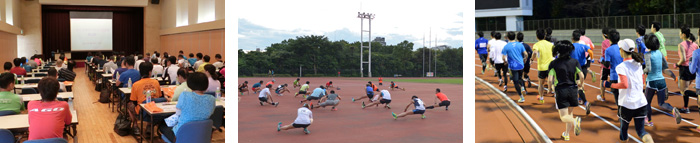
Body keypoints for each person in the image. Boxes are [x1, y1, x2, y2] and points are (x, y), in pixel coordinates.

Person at [611, 39, 654, 143]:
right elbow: (643, 81)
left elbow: (624, 85)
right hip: (641, 102)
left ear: (621, 50)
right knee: (641, 131)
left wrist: (611, 85)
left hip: (627, 104)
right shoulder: (639, 64)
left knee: (624, 130)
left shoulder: (621, 67)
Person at [158, 72, 216, 142]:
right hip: (202, 135)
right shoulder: (212, 99)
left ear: (189, 84)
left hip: (181, 134)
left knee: (162, 125)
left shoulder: (185, 95)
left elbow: (178, 113)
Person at [547, 40, 584, 141]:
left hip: (561, 90)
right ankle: (566, 134)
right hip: (573, 90)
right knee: (570, 114)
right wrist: (581, 83)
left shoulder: (553, 63)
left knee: (564, 117)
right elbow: (582, 75)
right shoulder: (575, 62)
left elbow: (550, 79)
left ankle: (575, 121)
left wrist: (549, 89)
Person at [645, 33, 681, 126]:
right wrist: (674, 77)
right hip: (662, 81)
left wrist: (642, 69)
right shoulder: (660, 53)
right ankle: (673, 109)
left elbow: (648, 69)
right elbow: (665, 68)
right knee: (661, 103)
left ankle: (649, 121)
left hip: (652, 81)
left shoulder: (648, 54)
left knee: (647, 102)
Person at [676, 25, 698, 114]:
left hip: (685, 69)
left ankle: (698, 95)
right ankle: (685, 107)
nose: (679, 34)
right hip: (693, 69)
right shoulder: (695, 45)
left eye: (680, 32)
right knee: (685, 89)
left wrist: (676, 64)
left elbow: (683, 59)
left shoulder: (681, 45)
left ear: (684, 34)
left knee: (683, 90)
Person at [502, 31, 528, 102]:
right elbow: (526, 54)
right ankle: (522, 87)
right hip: (521, 64)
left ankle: (521, 97)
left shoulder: (506, 46)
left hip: (513, 66)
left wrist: (505, 62)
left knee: (515, 81)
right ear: (515, 37)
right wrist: (524, 60)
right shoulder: (520, 44)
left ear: (507, 37)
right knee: (520, 77)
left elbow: (503, 57)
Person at [571, 30, 594, 107]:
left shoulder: (571, 46)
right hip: (583, 67)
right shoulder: (583, 46)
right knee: (582, 82)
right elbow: (591, 52)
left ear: (572, 38)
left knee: (577, 84)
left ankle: (584, 101)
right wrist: (592, 58)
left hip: (575, 67)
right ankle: (580, 98)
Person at [532, 28, 554, 103]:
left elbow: (535, 52)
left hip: (542, 67)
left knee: (541, 83)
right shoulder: (550, 44)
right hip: (550, 66)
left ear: (537, 37)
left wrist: (532, 59)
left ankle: (541, 98)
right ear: (544, 36)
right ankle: (554, 93)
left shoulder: (536, 45)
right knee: (553, 81)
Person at [603, 29, 624, 105]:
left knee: (617, 97)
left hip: (614, 77)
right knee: (623, 97)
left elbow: (607, 65)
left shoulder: (608, 50)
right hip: (624, 76)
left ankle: (620, 114)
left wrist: (602, 60)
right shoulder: (622, 48)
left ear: (609, 39)